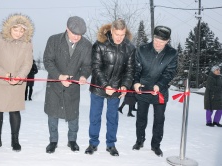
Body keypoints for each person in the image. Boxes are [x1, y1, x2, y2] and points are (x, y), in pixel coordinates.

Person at [0, 13, 34, 152]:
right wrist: (4, 74)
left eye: (22, 31)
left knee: (14, 110)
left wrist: (20, 76)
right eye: (16, 30)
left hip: (16, 81)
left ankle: (15, 141)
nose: (18, 33)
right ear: (9, 28)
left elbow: (28, 63)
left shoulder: (27, 43)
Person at [85, 18, 135, 156]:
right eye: (117, 34)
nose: (119, 38)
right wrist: (105, 85)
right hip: (98, 87)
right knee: (95, 116)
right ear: (111, 31)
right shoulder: (99, 44)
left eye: (122, 35)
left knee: (112, 117)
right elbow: (96, 67)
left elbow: (130, 70)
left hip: (117, 89)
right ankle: (93, 143)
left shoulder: (130, 48)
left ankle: (111, 144)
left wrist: (125, 85)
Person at [43, 16, 92, 153]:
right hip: (55, 84)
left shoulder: (86, 45)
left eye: (80, 35)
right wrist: (59, 76)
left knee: (73, 115)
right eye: (74, 34)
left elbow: (88, 65)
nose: (77, 38)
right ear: (67, 29)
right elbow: (48, 61)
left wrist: (83, 75)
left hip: (73, 86)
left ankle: (72, 140)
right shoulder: (54, 40)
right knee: (53, 113)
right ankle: (53, 141)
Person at [133, 26, 178, 157]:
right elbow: (136, 69)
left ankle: (156, 145)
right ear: (153, 37)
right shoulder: (142, 50)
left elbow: (170, 72)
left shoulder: (172, 53)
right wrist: (136, 82)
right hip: (143, 91)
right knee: (141, 118)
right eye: (156, 39)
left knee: (159, 120)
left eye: (162, 41)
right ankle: (139, 141)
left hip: (160, 92)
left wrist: (159, 84)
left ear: (167, 41)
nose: (158, 43)